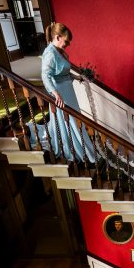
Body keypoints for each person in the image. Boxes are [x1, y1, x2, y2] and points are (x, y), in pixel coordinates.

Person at [31, 22, 96, 163]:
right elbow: (45, 76)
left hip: (68, 91)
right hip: (60, 93)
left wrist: (75, 77)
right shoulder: (49, 53)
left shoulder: (59, 51)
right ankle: (74, 150)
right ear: (57, 37)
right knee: (69, 121)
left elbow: (62, 72)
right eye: (66, 41)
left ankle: (82, 147)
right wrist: (55, 94)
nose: (68, 44)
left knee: (75, 118)